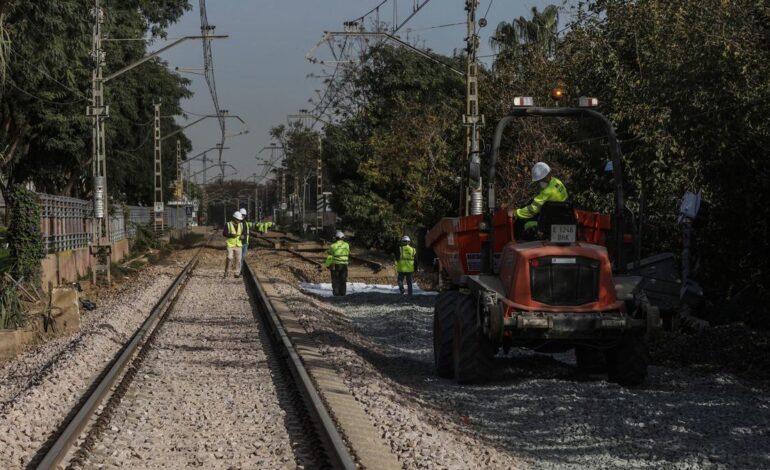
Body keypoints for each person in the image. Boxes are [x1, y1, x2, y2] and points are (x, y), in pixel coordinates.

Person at [508, 162, 568, 239]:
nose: (539, 184)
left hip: (548, 224)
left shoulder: (546, 193)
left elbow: (532, 210)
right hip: (561, 219)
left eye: (539, 181)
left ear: (545, 178)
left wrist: (515, 213)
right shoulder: (557, 182)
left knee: (524, 223)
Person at [327, 230, 350, 296]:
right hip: (344, 265)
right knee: (343, 280)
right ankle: (343, 294)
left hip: (335, 265)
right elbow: (348, 253)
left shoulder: (332, 246)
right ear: (343, 238)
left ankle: (336, 294)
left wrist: (327, 265)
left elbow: (329, 256)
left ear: (336, 238)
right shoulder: (346, 245)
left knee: (335, 280)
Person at [223, 211, 243, 278]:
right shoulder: (228, 224)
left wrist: (243, 237)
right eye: (237, 219)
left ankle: (236, 273)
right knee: (229, 258)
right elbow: (224, 233)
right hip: (230, 245)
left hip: (238, 245)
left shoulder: (241, 225)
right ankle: (227, 272)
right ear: (234, 218)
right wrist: (231, 235)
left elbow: (244, 233)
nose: (238, 221)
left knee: (238, 260)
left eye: (239, 220)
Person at [239, 208, 251, 272]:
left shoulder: (245, 223)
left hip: (245, 242)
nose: (242, 216)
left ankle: (241, 270)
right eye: (242, 214)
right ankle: (240, 270)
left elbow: (246, 232)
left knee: (243, 257)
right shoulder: (238, 222)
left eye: (244, 215)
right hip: (240, 243)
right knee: (240, 258)